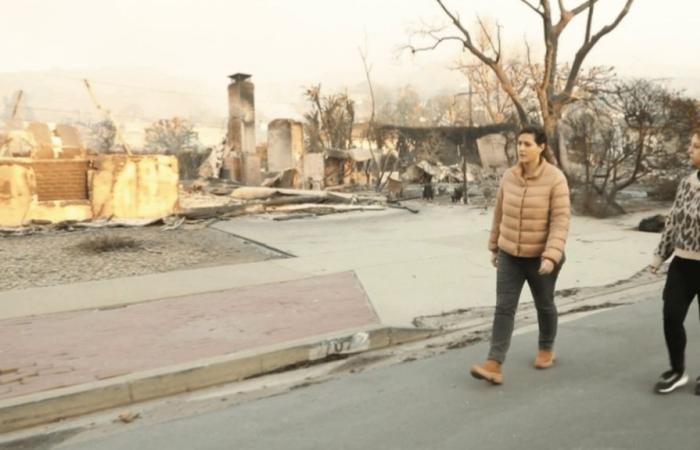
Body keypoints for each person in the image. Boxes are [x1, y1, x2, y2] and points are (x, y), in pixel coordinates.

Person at [470, 125, 571, 385]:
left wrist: (551, 255)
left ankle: (546, 346)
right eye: (519, 143)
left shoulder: (555, 178)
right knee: (504, 308)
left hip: (541, 256)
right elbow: (499, 212)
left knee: (544, 304)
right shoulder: (509, 176)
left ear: (541, 147)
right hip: (510, 255)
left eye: (527, 144)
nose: (521, 148)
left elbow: (560, 220)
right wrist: (494, 246)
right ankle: (494, 363)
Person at [650, 130, 700, 395]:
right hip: (682, 262)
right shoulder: (686, 183)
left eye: (696, 146)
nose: (691, 150)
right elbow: (673, 222)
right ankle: (677, 370)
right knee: (671, 315)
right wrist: (659, 256)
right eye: (692, 145)